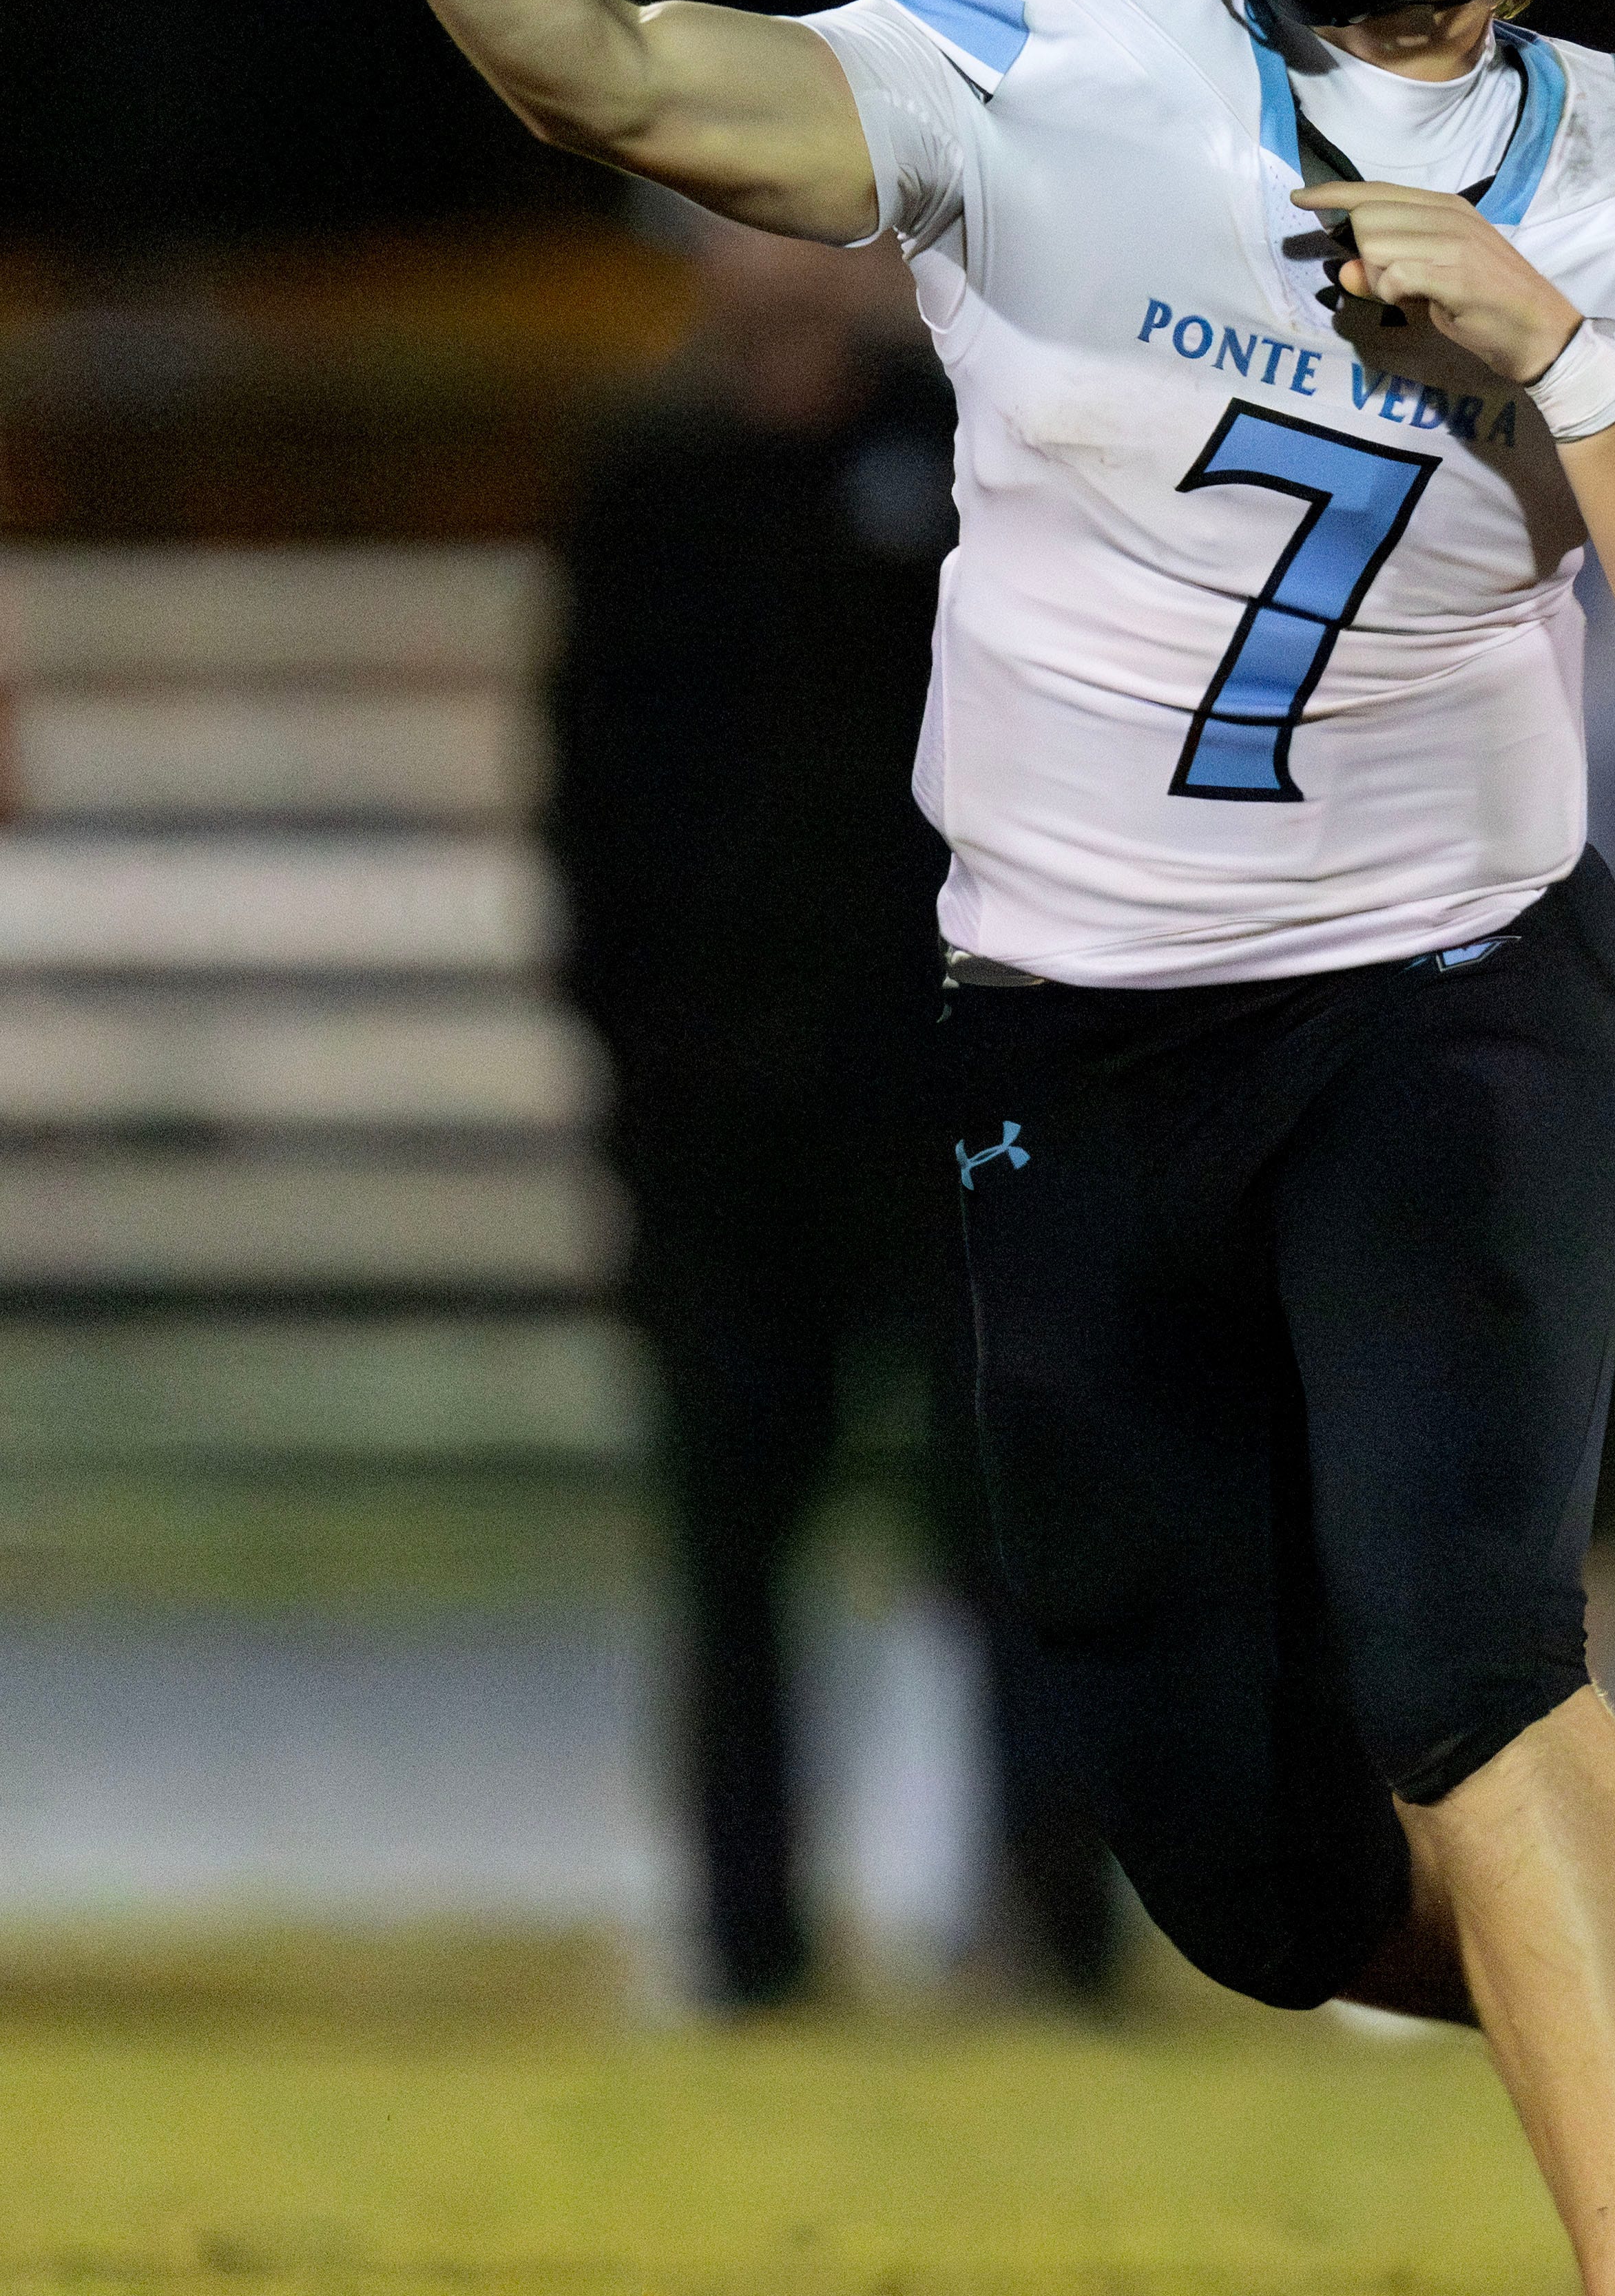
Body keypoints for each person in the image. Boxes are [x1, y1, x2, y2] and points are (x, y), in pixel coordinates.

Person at [146, 0, 1615, 2295]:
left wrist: (1559, 361)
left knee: (1471, 1650)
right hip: (1069, 1030)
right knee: (1239, 1869)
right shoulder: (1065, 9)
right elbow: (624, 73)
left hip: (1442, 997)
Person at [553, 209, 1114, 2007]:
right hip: (719, 1115)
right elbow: (578, 805)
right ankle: (745, 1942)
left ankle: (1053, 1928)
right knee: (729, 1540)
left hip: (952, 1090)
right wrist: (634, 1063)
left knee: (1018, 1526)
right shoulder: (643, 480)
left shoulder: (963, 447)